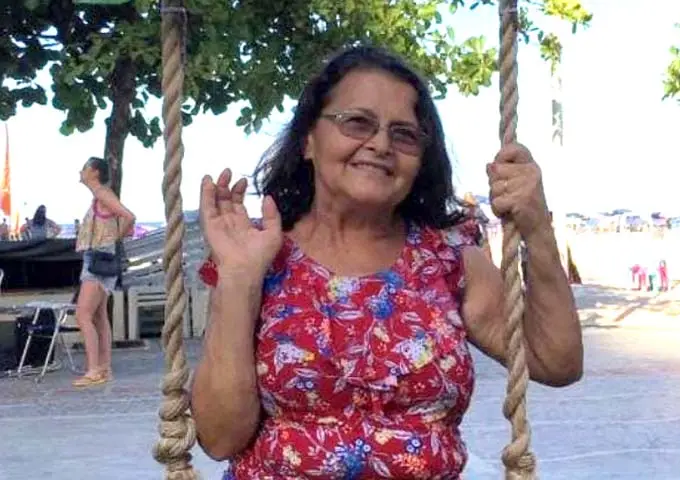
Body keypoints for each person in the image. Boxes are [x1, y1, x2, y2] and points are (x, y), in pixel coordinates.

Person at [192, 46, 583, 479]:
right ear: (308, 140)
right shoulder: (258, 256)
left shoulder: (447, 263)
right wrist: (239, 279)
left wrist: (536, 227)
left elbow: (556, 362)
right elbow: (220, 439)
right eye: (357, 122)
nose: (380, 144)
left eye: (404, 134)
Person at [73, 157, 136, 387]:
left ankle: (93, 369)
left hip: (98, 259)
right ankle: (104, 367)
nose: (80, 171)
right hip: (101, 257)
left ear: (94, 172)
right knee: (99, 316)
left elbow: (129, 216)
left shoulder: (102, 194)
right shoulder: (99, 196)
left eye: (84, 167)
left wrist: (113, 238)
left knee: (83, 315)